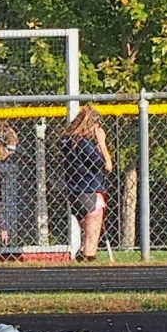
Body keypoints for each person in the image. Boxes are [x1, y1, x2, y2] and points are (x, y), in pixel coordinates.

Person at [59, 104, 114, 261]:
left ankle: (82, 259)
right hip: (90, 191)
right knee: (91, 237)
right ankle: (89, 260)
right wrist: (102, 143)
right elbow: (107, 166)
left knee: (85, 235)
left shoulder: (68, 142)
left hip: (74, 192)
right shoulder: (85, 143)